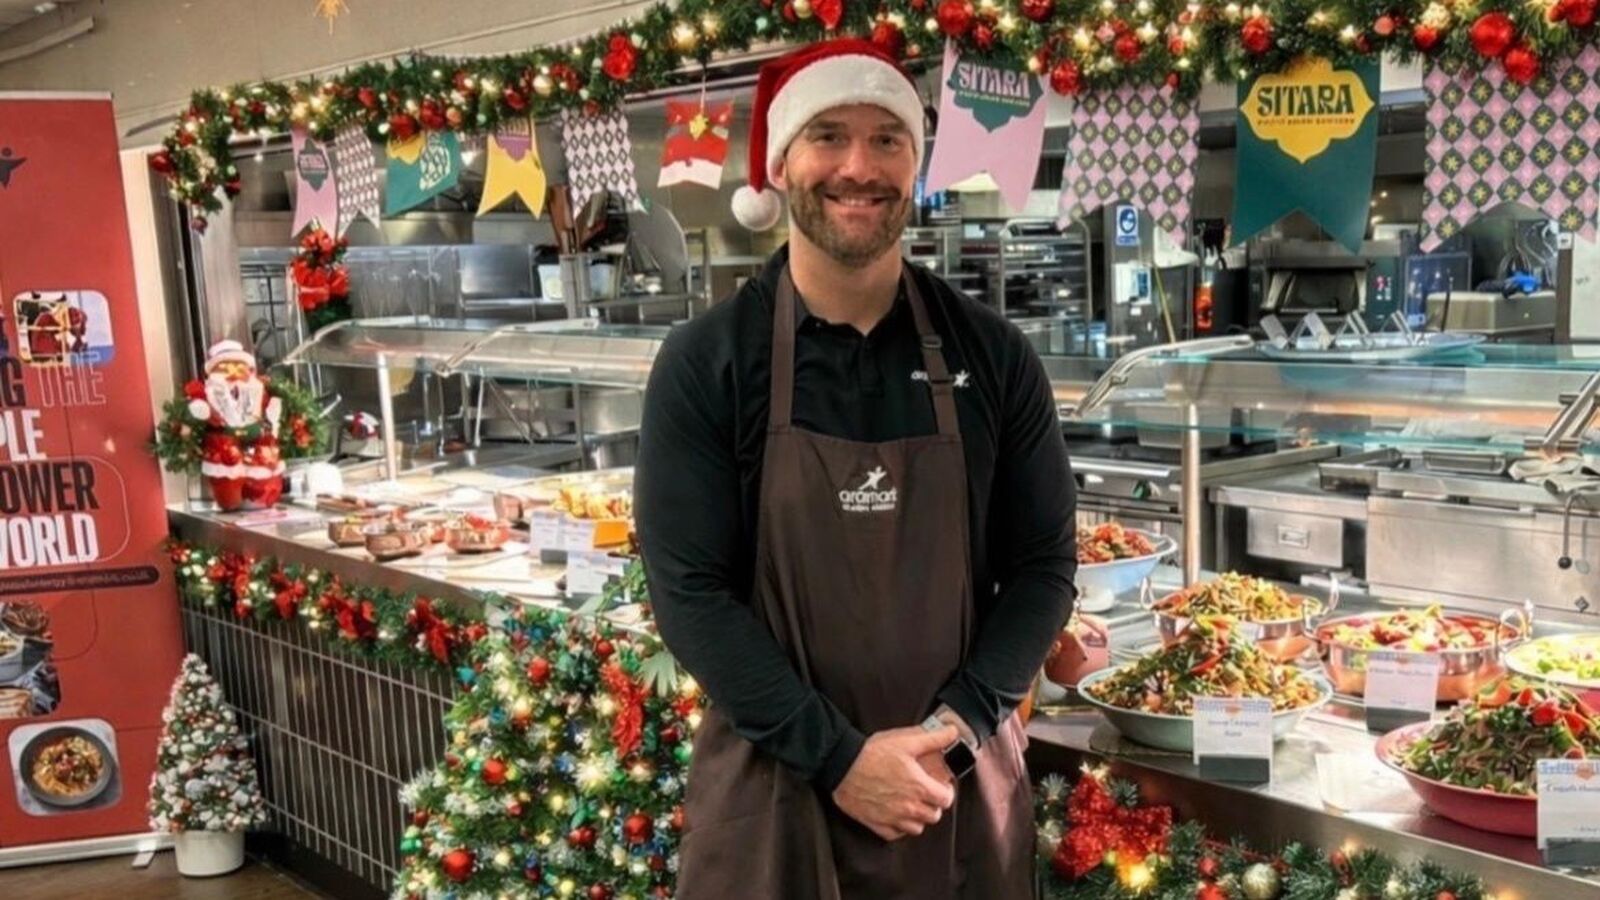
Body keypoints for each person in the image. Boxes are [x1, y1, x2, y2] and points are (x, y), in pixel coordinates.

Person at [635, 38, 1077, 899]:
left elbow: (1043, 565)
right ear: (781, 163)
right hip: (773, 789)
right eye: (828, 135)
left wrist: (957, 730)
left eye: (887, 139)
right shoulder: (708, 361)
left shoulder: (993, 355)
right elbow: (689, 591)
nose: (859, 167)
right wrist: (838, 758)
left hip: (954, 787)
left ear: (915, 164)